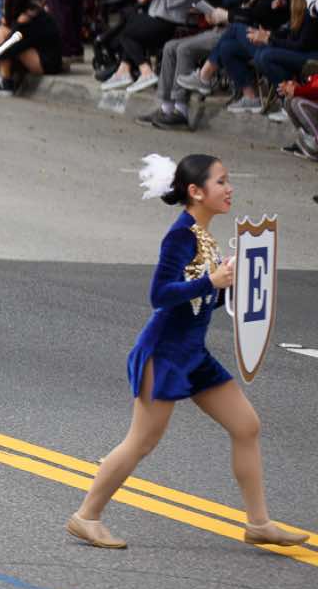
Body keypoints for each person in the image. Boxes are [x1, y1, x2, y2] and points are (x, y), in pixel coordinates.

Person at [64, 154, 309, 551]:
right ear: (196, 191)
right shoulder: (180, 235)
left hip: (193, 354)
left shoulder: (204, 236)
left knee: (246, 426)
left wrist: (226, 285)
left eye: (228, 181)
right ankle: (86, 516)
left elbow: (199, 302)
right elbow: (160, 295)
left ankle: (259, 523)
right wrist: (212, 280)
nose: (229, 189)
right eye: (221, 182)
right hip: (163, 354)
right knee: (141, 441)